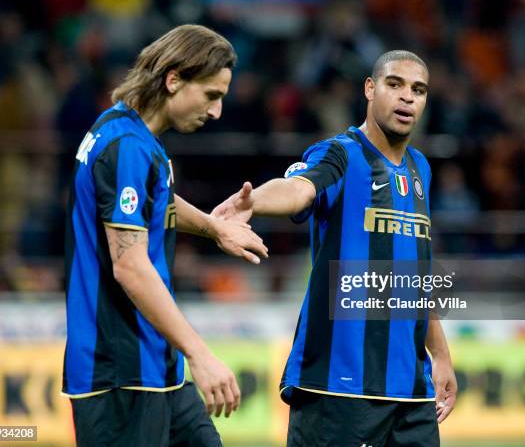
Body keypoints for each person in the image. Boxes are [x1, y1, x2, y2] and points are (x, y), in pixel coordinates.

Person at [213, 50, 457, 446]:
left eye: (419, 90)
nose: (407, 97)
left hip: (411, 394)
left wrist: (441, 355)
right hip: (337, 390)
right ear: (370, 88)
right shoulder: (340, 153)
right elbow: (299, 189)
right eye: (395, 85)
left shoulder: (420, 169)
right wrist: (253, 201)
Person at [62, 24, 269, 447]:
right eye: (212, 95)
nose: (217, 113)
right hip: (120, 373)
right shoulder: (127, 148)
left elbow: (154, 203)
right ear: (174, 79)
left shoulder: (126, 131)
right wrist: (201, 353)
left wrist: (214, 228)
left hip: (156, 365)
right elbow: (131, 266)